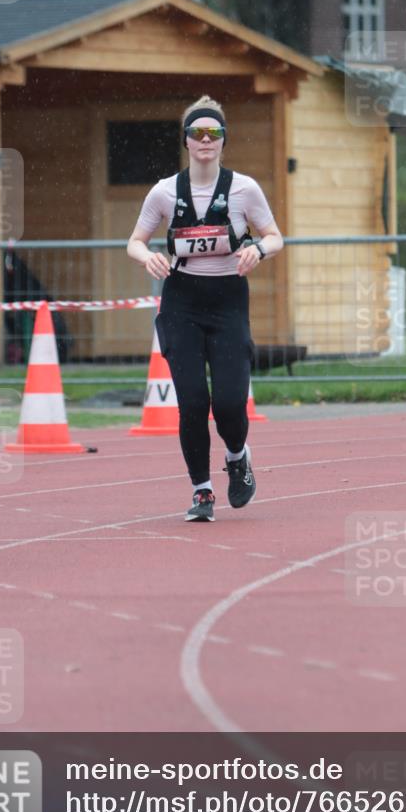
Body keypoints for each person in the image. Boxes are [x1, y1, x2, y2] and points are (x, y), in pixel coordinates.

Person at [127, 95, 283, 522]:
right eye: (197, 132)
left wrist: (257, 249)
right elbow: (135, 241)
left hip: (228, 300)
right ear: (186, 140)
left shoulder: (244, 189)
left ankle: (237, 455)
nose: (206, 140)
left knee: (230, 403)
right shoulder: (164, 192)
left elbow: (275, 236)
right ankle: (201, 491)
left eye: (213, 132)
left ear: (224, 139)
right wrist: (147, 257)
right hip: (182, 301)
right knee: (193, 402)